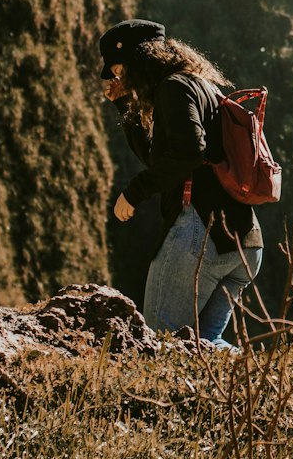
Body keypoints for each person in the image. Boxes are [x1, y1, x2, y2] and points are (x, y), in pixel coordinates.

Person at [99, 18, 263, 350]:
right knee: (204, 343)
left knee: (164, 345)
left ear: (138, 61)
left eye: (119, 71)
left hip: (200, 235)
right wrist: (124, 102)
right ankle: (260, 384)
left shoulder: (172, 89)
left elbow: (188, 153)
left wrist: (134, 193)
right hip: (244, 241)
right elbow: (163, 160)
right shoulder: (202, 86)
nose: (118, 79)